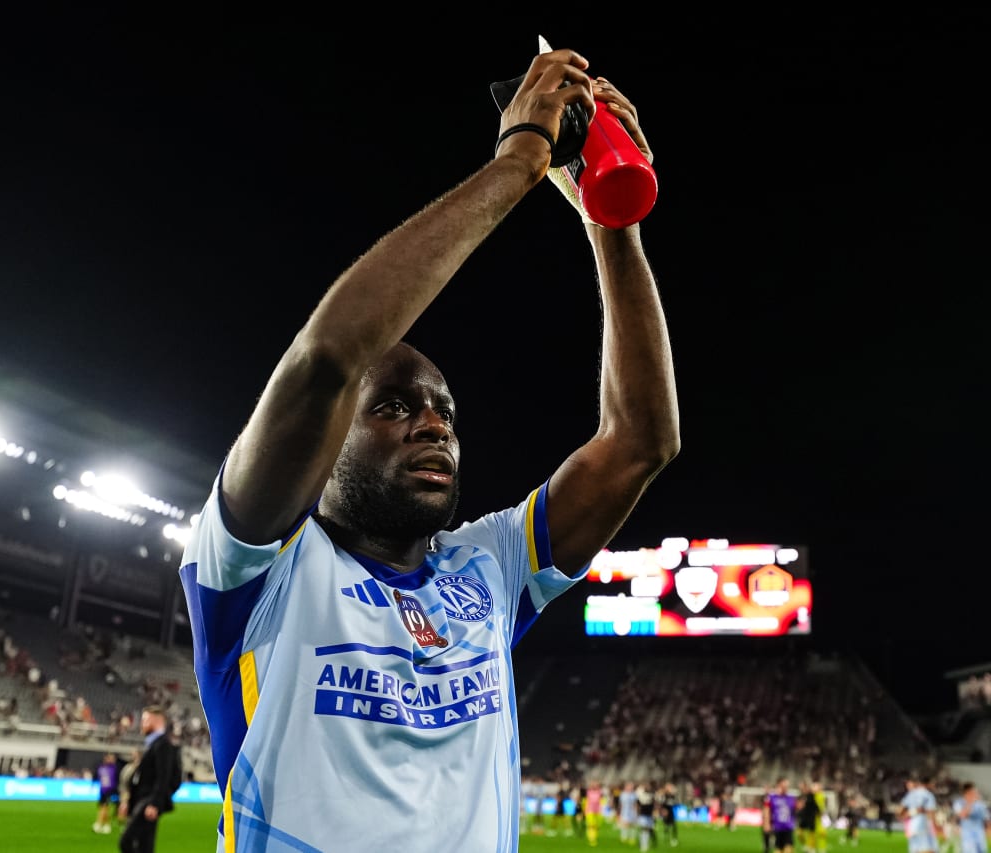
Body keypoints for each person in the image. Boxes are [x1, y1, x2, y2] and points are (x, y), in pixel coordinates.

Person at [177, 43, 678, 853]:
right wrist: (520, 162)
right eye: (395, 406)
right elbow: (324, 362)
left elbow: (641, 441)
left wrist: (609, 220)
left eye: (444, 409)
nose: (434, 422)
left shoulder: (488, 568)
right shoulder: (257, 569)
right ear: (331, 431)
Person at [117, 705, 182, 853]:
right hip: (144, 800)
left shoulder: (163, 745)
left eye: (145, 719)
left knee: (126, 841)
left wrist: (154, 803)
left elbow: (164, 777)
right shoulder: (155, 744)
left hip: (148, 802)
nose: (142, 723)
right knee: (145, 846)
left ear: (157, 721)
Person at [901, 775, 942, 853]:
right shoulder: (928, 795)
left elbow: (901, 812)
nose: (933, 786)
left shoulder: (911, 794)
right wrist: (937, 827)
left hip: (912, 827)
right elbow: (931, 813)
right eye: (932, 784)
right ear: (928, 784)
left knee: (915, 850)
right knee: (928, 850)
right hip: (923, 826)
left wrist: (913, 813)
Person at [764, 778, 799, 853]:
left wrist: (796, 824)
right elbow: (767, 811)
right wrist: (767, 824)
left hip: (788, 827)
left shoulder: (791, 798)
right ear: (779, 785)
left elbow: (794, 812)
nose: (786, 788)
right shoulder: (772, 797)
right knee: (778, 849)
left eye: (787, 786)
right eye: (784, 785)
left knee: (788, 848)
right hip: (777, 827)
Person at [955, 780, 988, 853]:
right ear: (968, 792)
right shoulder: (959, 802)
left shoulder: (980, 804)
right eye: (973, 790)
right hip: (967, 835)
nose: (976, 792)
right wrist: (970, 802)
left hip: (980, 834)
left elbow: (985, 819)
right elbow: (963, 815)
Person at [93, 752, 120, 834]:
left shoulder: (115, 768)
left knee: (105, 807)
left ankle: (99, 824)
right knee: (103, 807)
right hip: (103, 790)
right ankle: (105, 825)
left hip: (111, 791)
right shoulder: (102, 767)